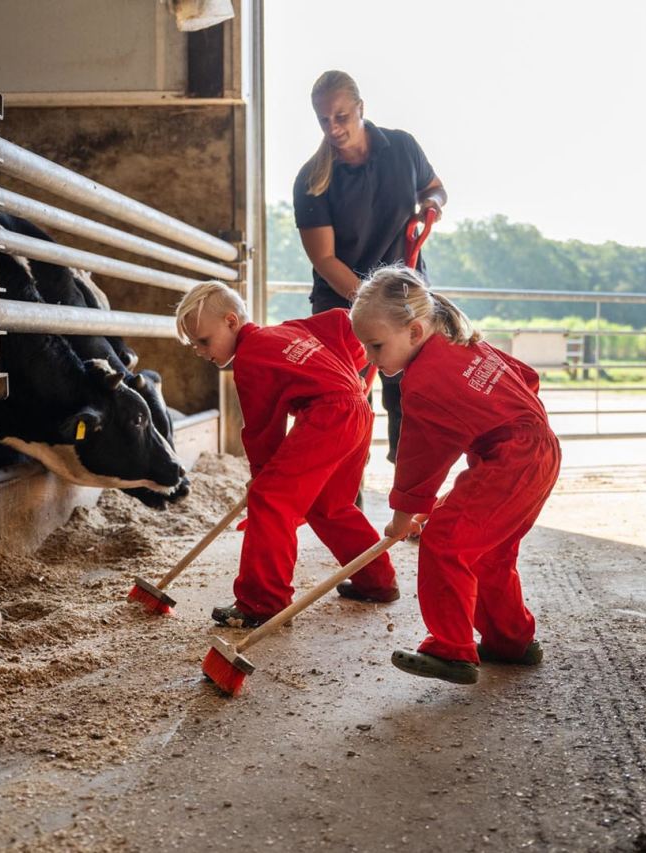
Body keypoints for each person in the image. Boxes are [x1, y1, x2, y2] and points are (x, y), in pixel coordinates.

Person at [349, 265, 561, 685]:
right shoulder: (463, 343)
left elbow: (420, 455)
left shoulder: (423, 380)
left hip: (512, 458)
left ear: (413, 332)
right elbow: (526, 379)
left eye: (375, 345)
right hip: (539, 449)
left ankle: (451, 649)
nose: (370, 358)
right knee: (489, 552)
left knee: (445, 541)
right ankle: (511, 641)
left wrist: (405, 512)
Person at [174, 281, 399, 627]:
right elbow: (343, 323)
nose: (201, 351)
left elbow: (263, 428)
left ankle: (262, 602)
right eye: (193, 347)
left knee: (270, 498)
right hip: (356, 410)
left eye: (204, 341)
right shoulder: (289, 331)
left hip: (328, 415)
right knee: (331, 507)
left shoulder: (249, 358)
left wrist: (261, 477)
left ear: (231, 321)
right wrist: (354, 369)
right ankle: (377, 582)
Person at [294, 69, 447, 463]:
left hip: (405, 296)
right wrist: (368, 303)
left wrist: (432, 204)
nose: (333, 128)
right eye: (324, 119)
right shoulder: (312, 179)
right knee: (346, 401)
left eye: (341, 116)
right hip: (342, 303)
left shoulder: (402, 148)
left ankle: (407, 499)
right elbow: (324, 258)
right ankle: (347, 500)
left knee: (410, 398)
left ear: (360, 109)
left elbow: (434, 187)